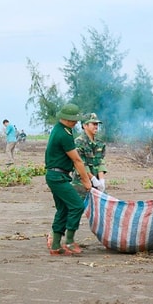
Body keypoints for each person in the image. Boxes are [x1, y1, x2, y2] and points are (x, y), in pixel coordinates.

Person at [45, 104, 92, 256]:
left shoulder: (61, 129)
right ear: (66, 119)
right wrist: (86, 180)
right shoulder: (63, 134)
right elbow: (77, 160)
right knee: (77, 206)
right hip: (58, 177)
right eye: (74, 119)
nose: (76, 122)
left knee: (63, 208)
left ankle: (56, 245)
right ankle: (69, 242)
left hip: (56, 175)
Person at [72, 112, 107, 197]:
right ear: (85, 126)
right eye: (93, 124)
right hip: (81, 183)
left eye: (97, 124)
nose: (96, 126)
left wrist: (101, 180)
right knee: (80, 207)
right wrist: (92, 178)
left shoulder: (100, 143)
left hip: (96, 183)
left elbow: (101, 162)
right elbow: (80, 163)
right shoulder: (79, 142)